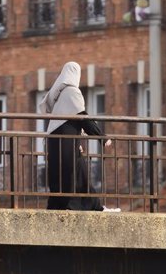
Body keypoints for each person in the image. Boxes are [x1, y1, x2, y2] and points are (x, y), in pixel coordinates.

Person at [39, 61, 119, 212]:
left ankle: (88, 207)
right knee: (73, 174)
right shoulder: (71, 92)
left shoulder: (60, 95)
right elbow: (83, 117)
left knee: (68, 174)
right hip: (67, 144)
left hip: (58, 143)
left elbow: (69, 121)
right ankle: (74, 206)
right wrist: (102, 137)